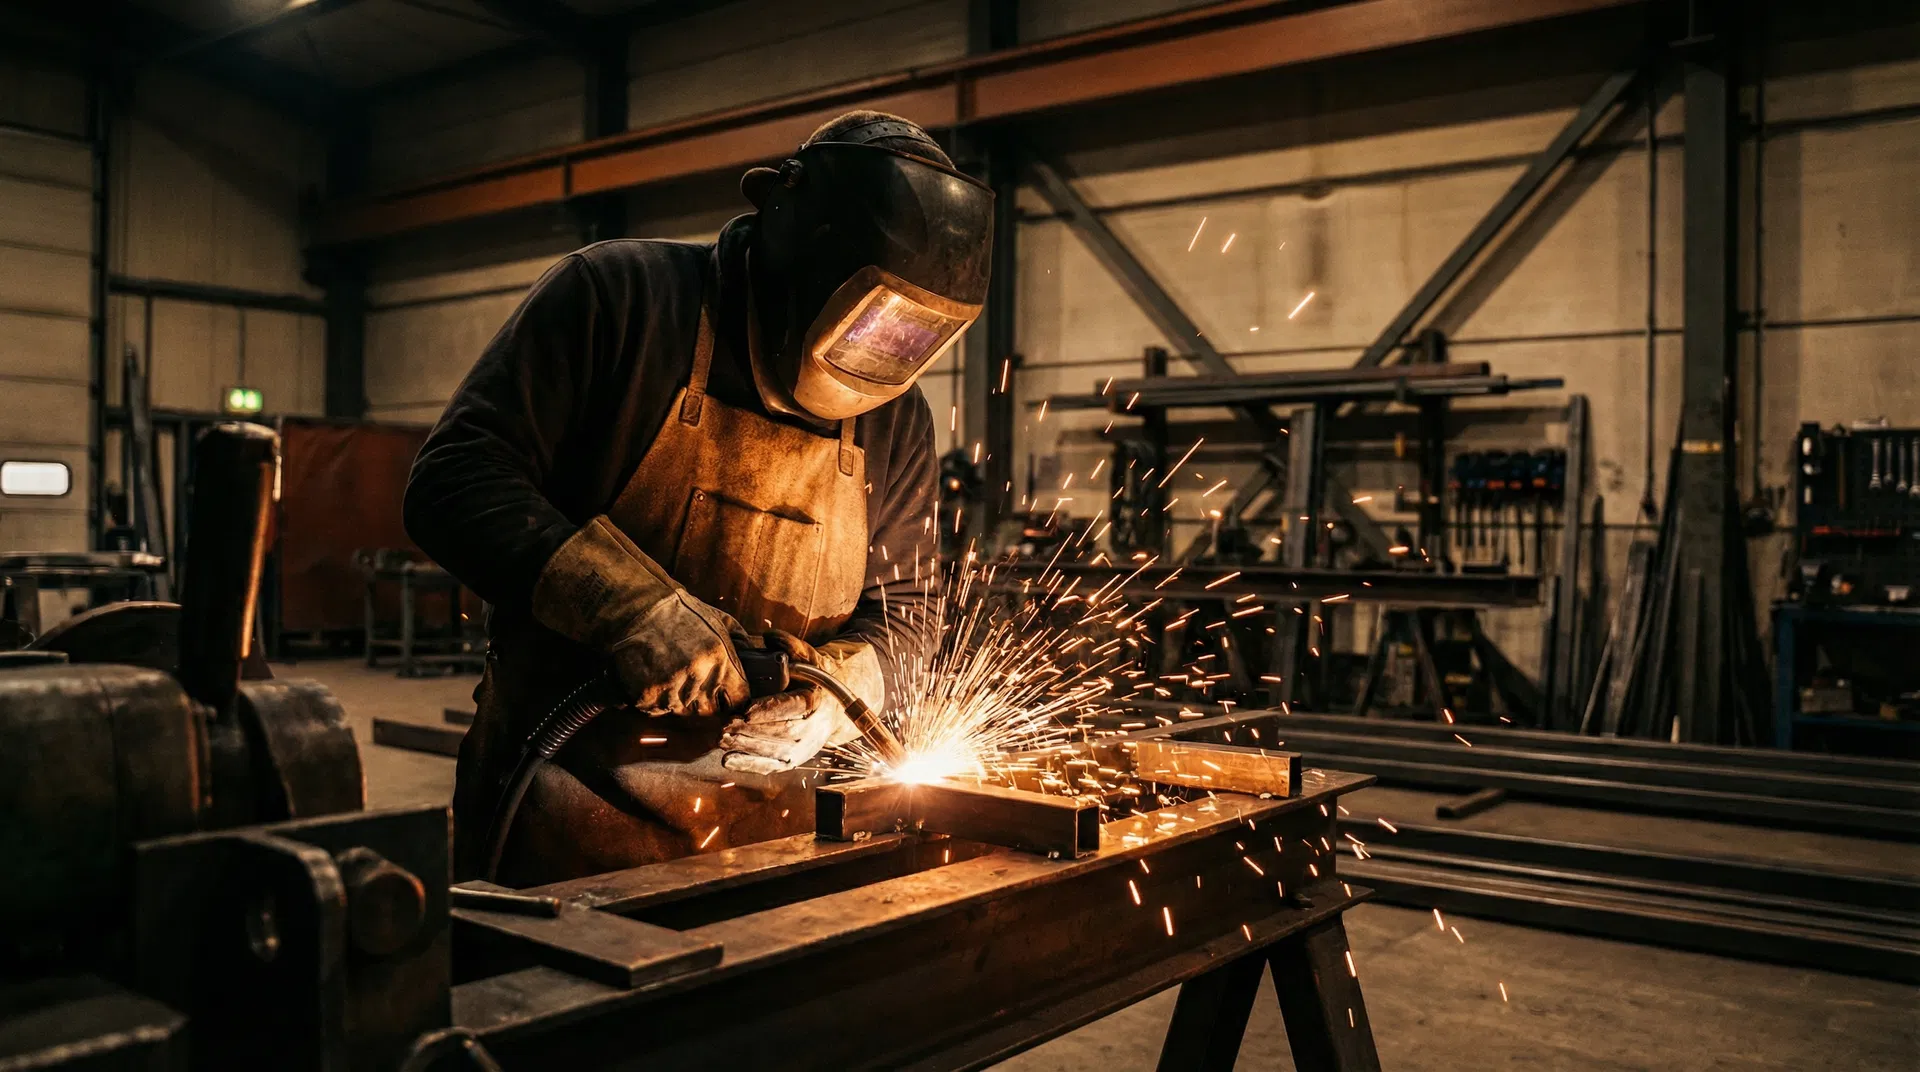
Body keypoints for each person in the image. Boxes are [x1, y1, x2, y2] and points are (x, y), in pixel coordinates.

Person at [405, 111, 994, 885]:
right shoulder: (621, 301)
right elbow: (454, 479)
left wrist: (837, 698)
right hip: (559, 815)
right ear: (788, 225)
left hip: (774, 842)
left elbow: (908, 611)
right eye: (867, 317)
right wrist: (630, 611)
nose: (876, 354)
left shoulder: (896, 417)